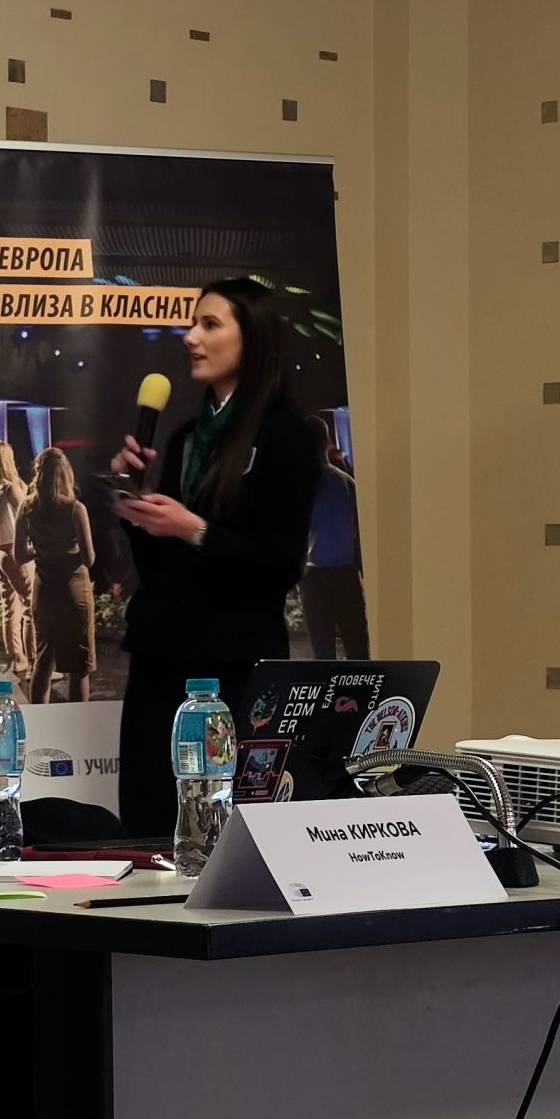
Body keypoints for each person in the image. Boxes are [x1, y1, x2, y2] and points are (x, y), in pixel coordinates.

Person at [112, 278, 324, 839]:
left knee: (224, 827)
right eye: (191, 324)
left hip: (233, 663)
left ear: (252, 338)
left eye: (209, 324)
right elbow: (160, 567)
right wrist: (137, 505)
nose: (190, 338)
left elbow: (281, 564)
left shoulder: (287, 436)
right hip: (161, 655)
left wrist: (196, 529)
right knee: (148, 818)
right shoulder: (184, 437)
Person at [25, 445, 96, 704]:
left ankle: (38, 721)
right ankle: (77, 722)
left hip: (44, 591)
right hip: (72, 590)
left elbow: (20, 555)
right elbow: (89, 558)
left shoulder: (26, 508)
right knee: (78, 667)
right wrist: (65, 552)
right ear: (65, 474)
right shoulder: (75, 509)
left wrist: (43, 549)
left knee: (43, 662)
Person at [301, 417, 370, 659]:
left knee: (323, 654)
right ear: (328, 443)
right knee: (358, 649)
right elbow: (361, 533)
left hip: (314, 577)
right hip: (346, 574)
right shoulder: (347, 482)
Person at [0, 438, 35, 679]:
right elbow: (28, 509)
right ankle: (35, 664)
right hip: (12, 551)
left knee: (9, 606)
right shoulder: (9, 487)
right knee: (31, 606)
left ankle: (18, 660)